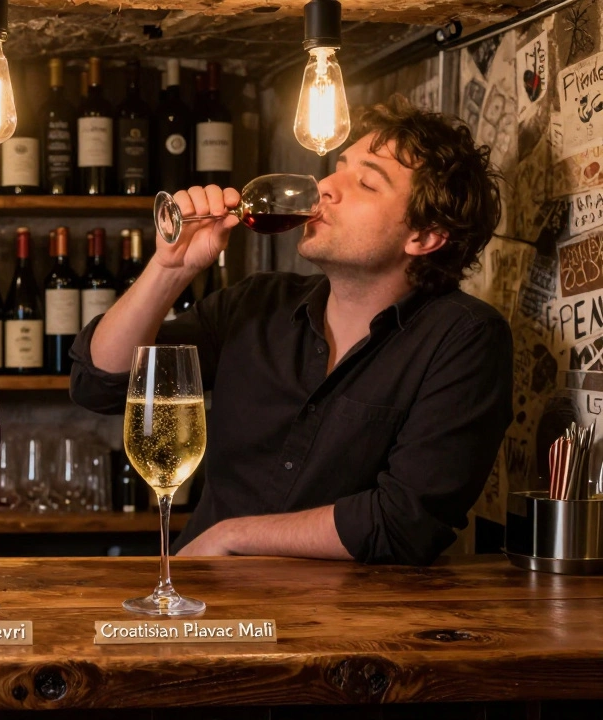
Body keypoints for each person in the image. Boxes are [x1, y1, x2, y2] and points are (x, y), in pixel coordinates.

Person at [69, 95, 513, 566]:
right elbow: (100, 384)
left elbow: (404, 521)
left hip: (347, 627)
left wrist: (232, 536)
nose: (325, 187)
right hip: (204, 603)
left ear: (424, 237)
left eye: (365, 181)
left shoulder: (465, 340)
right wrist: (169, 267)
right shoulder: (256, 303)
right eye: (338, 167)